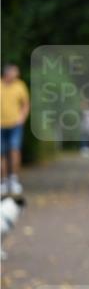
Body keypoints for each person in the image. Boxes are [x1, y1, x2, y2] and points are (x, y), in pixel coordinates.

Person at [1, 64, 30, 196]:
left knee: (14, 150)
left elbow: (25, 104)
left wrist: (21, 119)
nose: (16, 75)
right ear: (7, 73)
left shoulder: (20, 86)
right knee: (2, 154)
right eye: (14, 72)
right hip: (1, 125)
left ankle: (14, 179)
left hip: (15, 125)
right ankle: (4, 180)